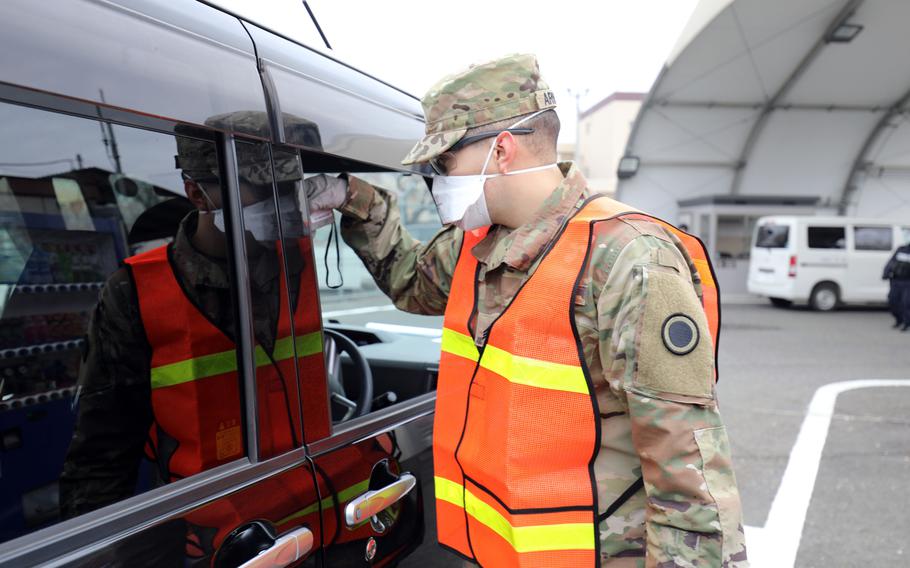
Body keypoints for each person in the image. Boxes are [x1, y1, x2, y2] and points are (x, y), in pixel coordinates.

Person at [308, 54, 748, 566]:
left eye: (444, 162)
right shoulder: (481, 243)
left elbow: (687, 469)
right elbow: (412, 283)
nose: (438, 177)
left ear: (502, 149)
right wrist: (351, 197)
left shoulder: (628, 256)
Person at [59, 111, 329, 561]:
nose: (280, 203)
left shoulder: (298, 263)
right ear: (197, 193)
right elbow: (102, 454)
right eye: (261, 190)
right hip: (219, 548)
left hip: (320, 524)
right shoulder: (136, 293)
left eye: (289, 188)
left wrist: (356, 198)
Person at [883, 238, 910, 331]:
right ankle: (899, 320)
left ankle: (907, 323)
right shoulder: (901, 249)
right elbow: (891, 262)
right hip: (895, 281)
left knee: (906, 303)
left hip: (907, 282)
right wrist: (885, 273)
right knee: (892, 301)